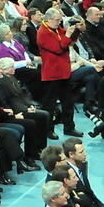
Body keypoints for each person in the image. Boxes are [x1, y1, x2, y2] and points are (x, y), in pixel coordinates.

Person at [37, 8, 83, 136]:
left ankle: (69, 127)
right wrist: (68, 34)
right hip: (51, 73)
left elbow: (69, 41)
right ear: (48, 19)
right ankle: (47, 130)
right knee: (49, 104)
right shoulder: (43, 32)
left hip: (64, 71)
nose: (59, 22)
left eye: (60, 20)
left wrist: (76, 30)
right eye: (57, 20)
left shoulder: (57, 29)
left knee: (68, 101)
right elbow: (59, 48)